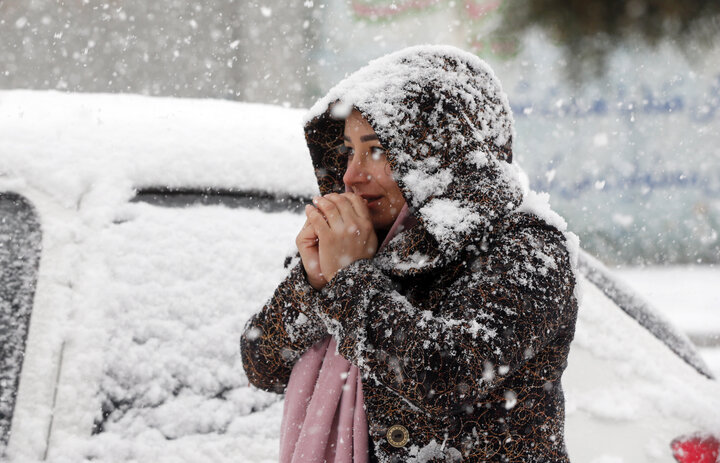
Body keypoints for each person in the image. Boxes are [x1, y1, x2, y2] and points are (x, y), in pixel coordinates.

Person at [241, 45, 579, 463]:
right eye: (349, 151)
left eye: (377, 150)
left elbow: (448, 374)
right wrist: (311, 285)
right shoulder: (365, 243)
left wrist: (349, 280)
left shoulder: (526, 249)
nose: (351, 174)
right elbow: (262, 363)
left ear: (438, 154)